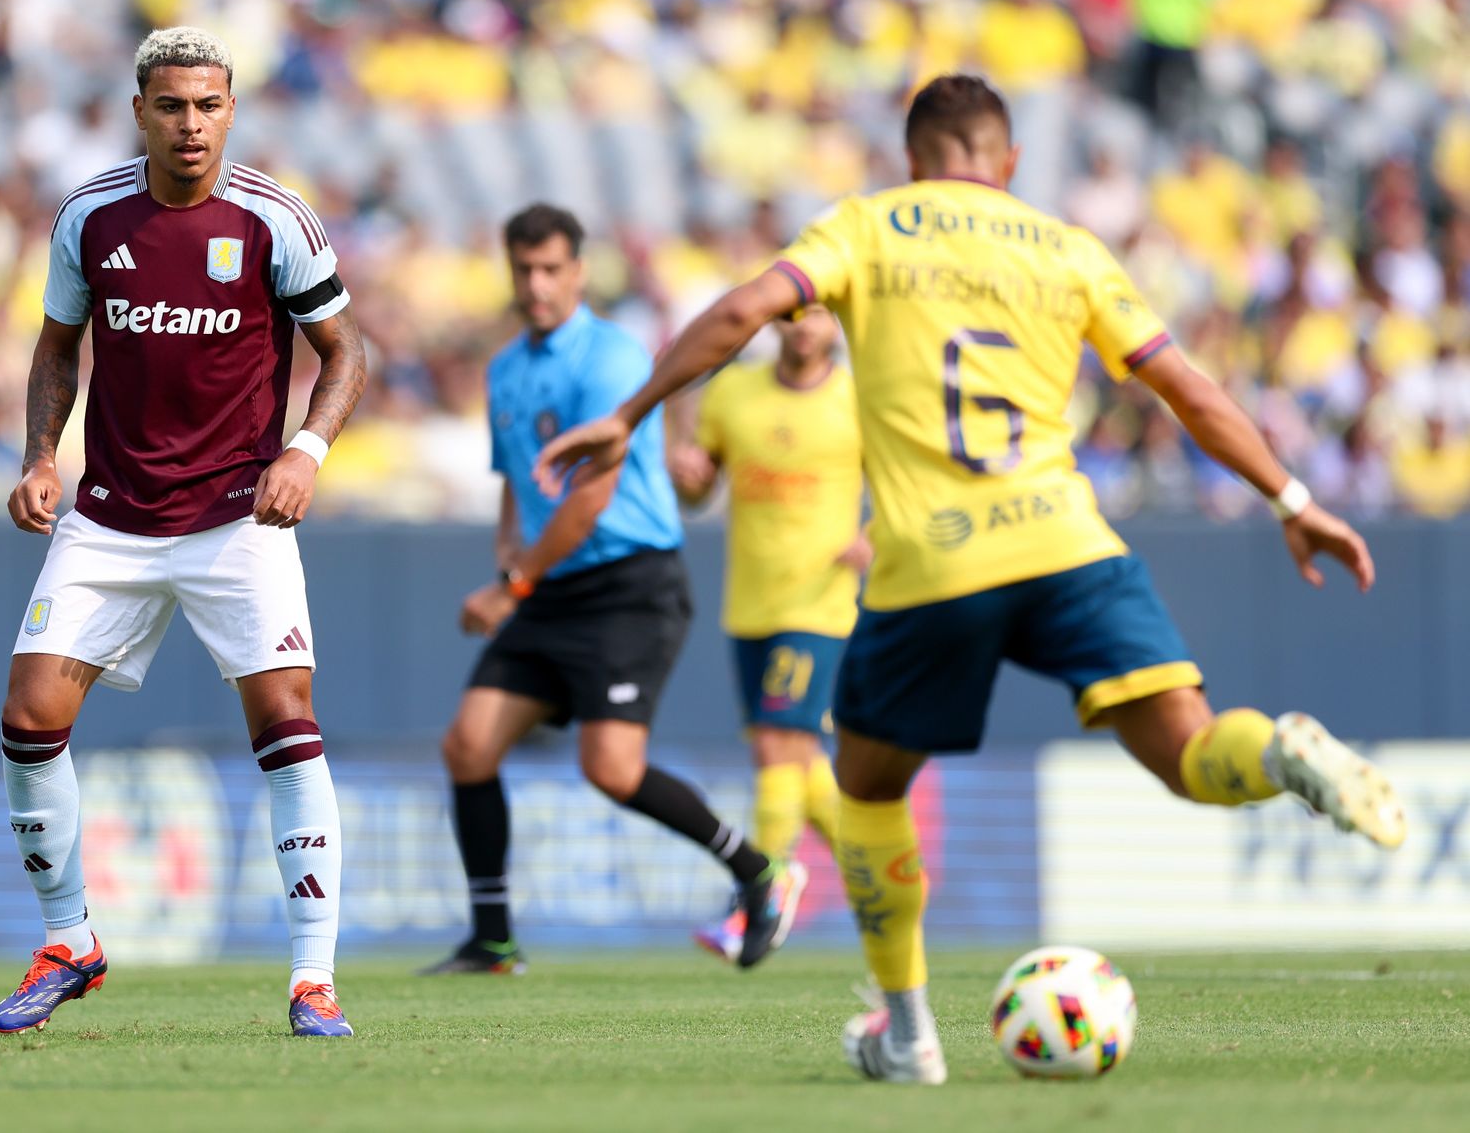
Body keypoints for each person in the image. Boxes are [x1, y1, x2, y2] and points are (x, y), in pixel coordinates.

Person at [535, 74, 1406, 1084]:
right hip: (1071, 546)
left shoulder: (868, 226)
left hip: (933, 564)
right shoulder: (1069, 249)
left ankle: (907, 1038)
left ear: (915, 159)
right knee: (1193, 755)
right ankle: (1280, 753)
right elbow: (1186, 389)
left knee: (863, 787)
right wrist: (1294, 500)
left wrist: (633, 412)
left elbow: (741, 311)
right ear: (1010, 161)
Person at [0, 28, 366, 1038]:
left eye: (207, 105)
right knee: (29, 721)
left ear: (230, 110)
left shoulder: (272, 218)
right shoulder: (91, 216)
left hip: (237, 516)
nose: (190, 124)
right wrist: (38, 456)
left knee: (286, 723)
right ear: (139, 112)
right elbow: (57, 348)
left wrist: (306, 454)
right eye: (171, 106)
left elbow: (344, 353)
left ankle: (312, 978)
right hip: (111, 517)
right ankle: (69, 940)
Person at [421, 203, 804, 975]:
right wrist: (510, 569)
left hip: (630, 583)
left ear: (580, 272)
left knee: (612, 768)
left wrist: (514, 584)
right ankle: (492, 940)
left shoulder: (612, 358)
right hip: (549, 586)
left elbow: (591, 495)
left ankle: (758, 873)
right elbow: (514, 484)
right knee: (468, 745)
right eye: (523, 269)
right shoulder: (505, 369)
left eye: (551, 268)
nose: (536, 284)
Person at [668, 307, 866, 962]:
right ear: (775, 322)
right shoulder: (735, 391)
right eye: (792, 314)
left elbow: (910, 482)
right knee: (789, 758)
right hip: (750, 603)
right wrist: (691, 479)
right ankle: (879, 873)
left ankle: (764, 888)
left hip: (819, 602)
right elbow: (703, 487)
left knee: (782, 744)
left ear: (836, 323)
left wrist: (878, 536)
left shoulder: (859, 397)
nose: (805, 326)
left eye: (818, 314)